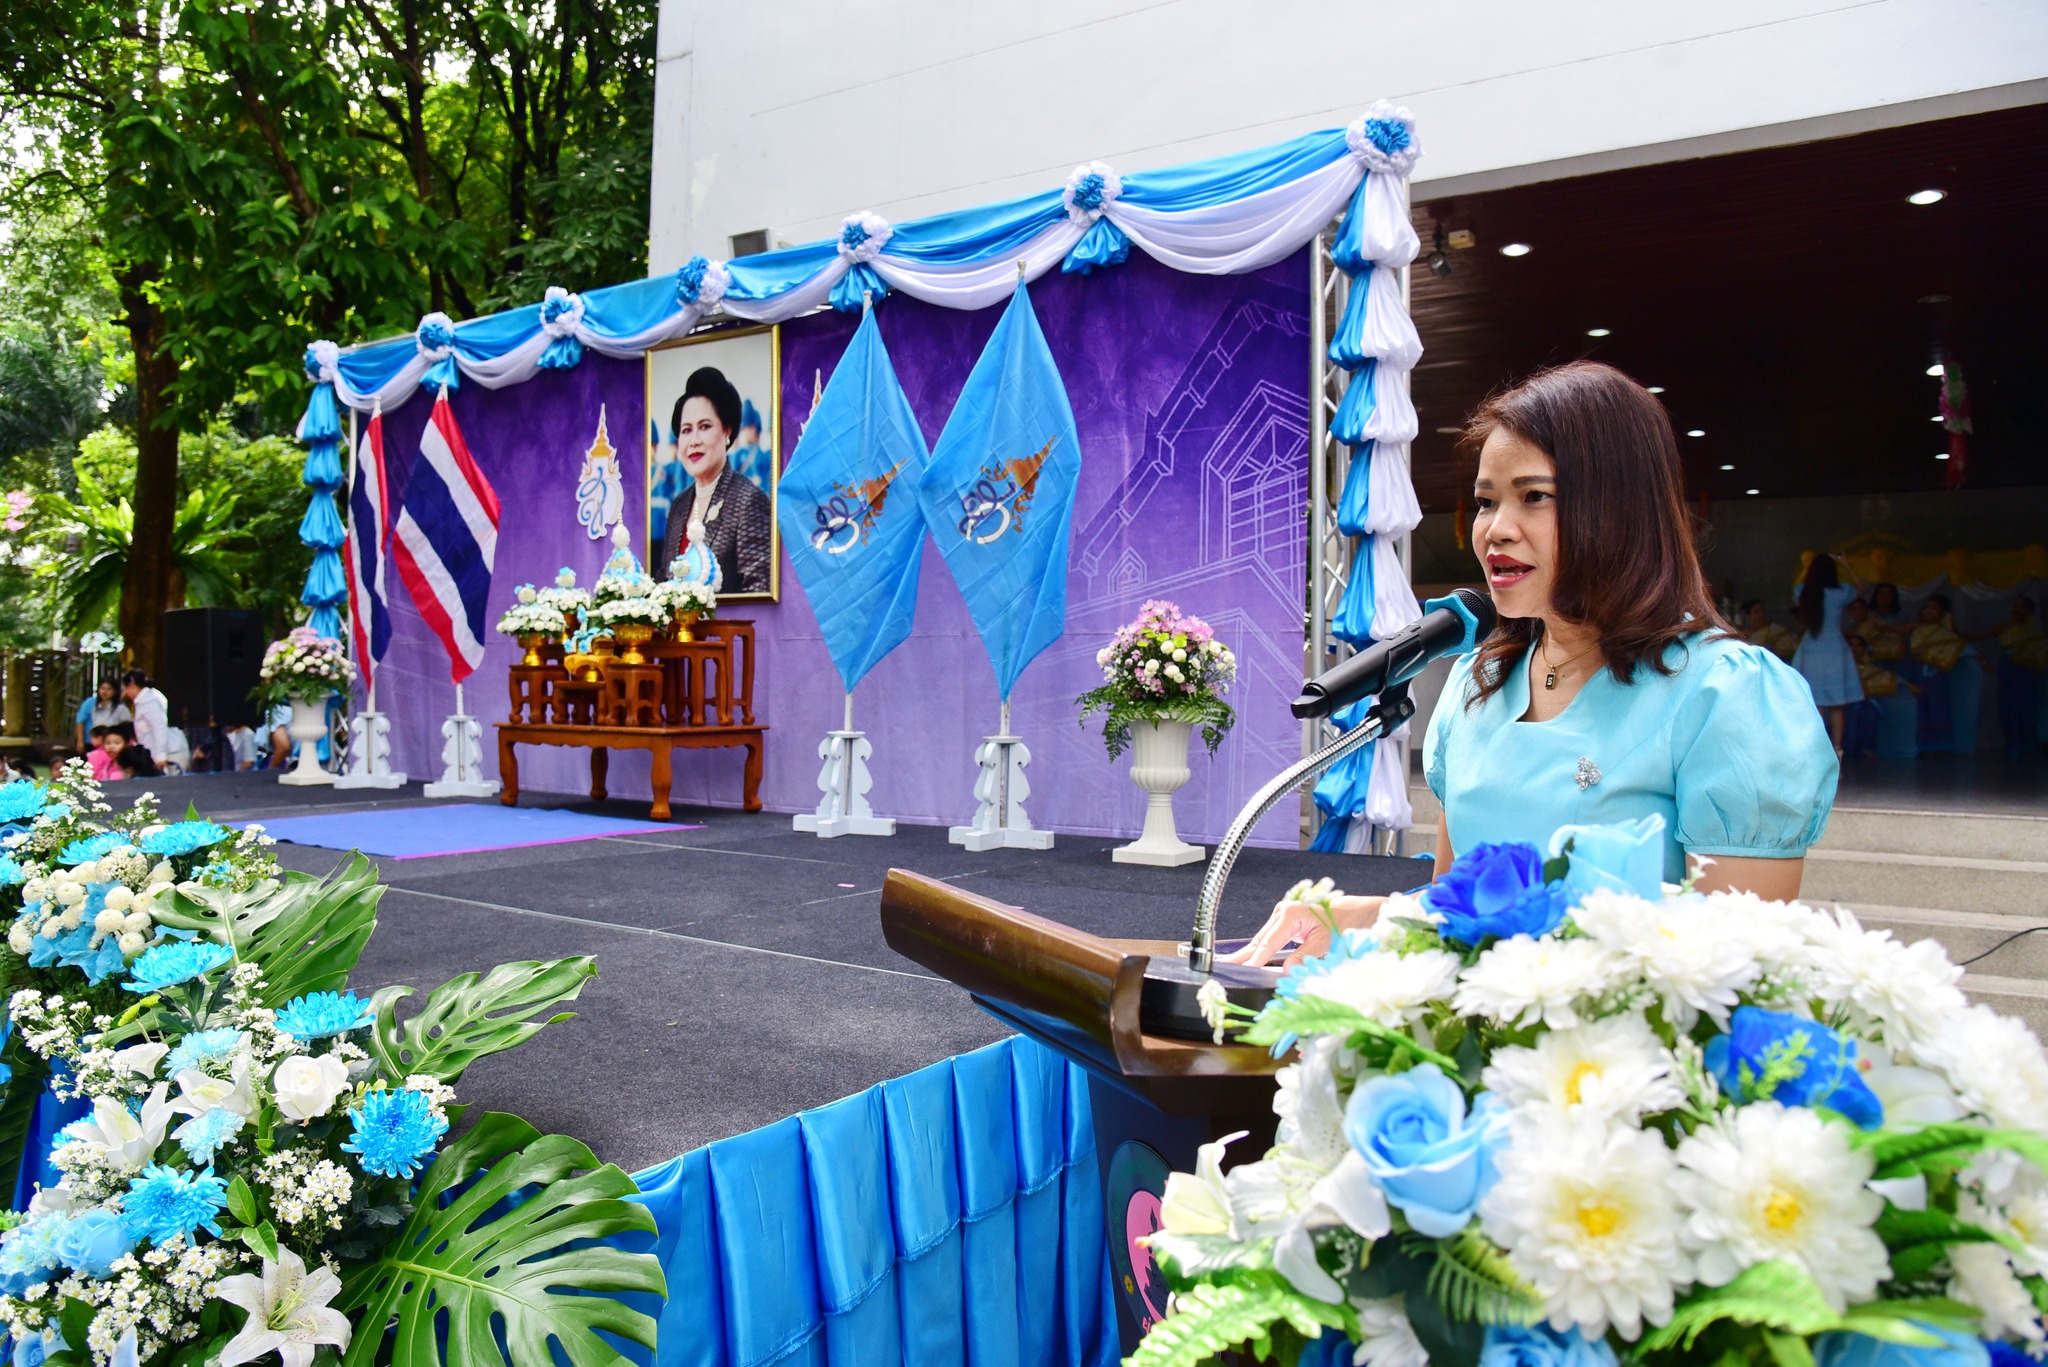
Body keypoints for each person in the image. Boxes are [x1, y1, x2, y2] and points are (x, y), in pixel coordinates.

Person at [1228, 361, 1836, 967]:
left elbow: (1738, 968)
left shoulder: (1726, 695)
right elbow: (1456, 911)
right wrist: (1361, 917)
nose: (1496, 529)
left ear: (1623, 508)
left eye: (1535, 497)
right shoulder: (1477, 684)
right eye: (1486, 501)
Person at [658, 367, 772, 594]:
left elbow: (759, 592)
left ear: (727, 432)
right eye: (686, 430)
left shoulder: (748, 501)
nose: (694, 441)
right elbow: (664, 582)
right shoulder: (679, 506)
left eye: (704, 427)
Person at [1790, 553, 1863, 757]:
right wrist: (1846, 564)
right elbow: (1862, 588)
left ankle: (1819, 750)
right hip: (1835, 649)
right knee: (1837, 705)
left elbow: (1801, 588)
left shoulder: (1802, 591)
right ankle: (1837, 749)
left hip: (1811, 648)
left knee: (1817, 703)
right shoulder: (1841, 592)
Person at [1964, 595, 2046, 757]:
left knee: (2028, 707)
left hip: (2028, 672)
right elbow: (1977, 637)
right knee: (2009, 708)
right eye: (2015, 606)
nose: (2016, 609)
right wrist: (1954, 632)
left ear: (2029, 612)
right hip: (2009, 671)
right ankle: (2013, 745)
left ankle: (2029, 745)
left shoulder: (2036, 632)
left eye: (2021, 606)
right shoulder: (2004, 628)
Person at [1910, 594, 1965, 751]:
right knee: (1920, 709)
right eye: (1927, 607)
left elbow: (1958, 648)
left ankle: (1940, 746)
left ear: (1943, 612)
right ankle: (1923, 746)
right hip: (1918, 673)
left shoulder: (1946, 633)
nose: (1929, 610)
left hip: (1937, 675)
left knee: (1938, 708)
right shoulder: (1917, 629)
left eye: (1934, 608)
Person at [120, 670, 170, 761]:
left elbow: (159, 727)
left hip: (164, 753)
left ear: (131, 685)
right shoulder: (146, 698)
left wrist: (161, 755)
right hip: (153, 752)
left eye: (125, 689)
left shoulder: (150, 701)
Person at [73, 679, 131, 753]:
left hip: (112, 744)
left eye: (109, 689)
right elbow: (80, 721)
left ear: (115, 691)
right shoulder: (92, 704)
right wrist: (80, 741)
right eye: (102, 688)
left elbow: (127, 725)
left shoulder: (121, 707)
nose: (105, 692)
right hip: (93, 742)